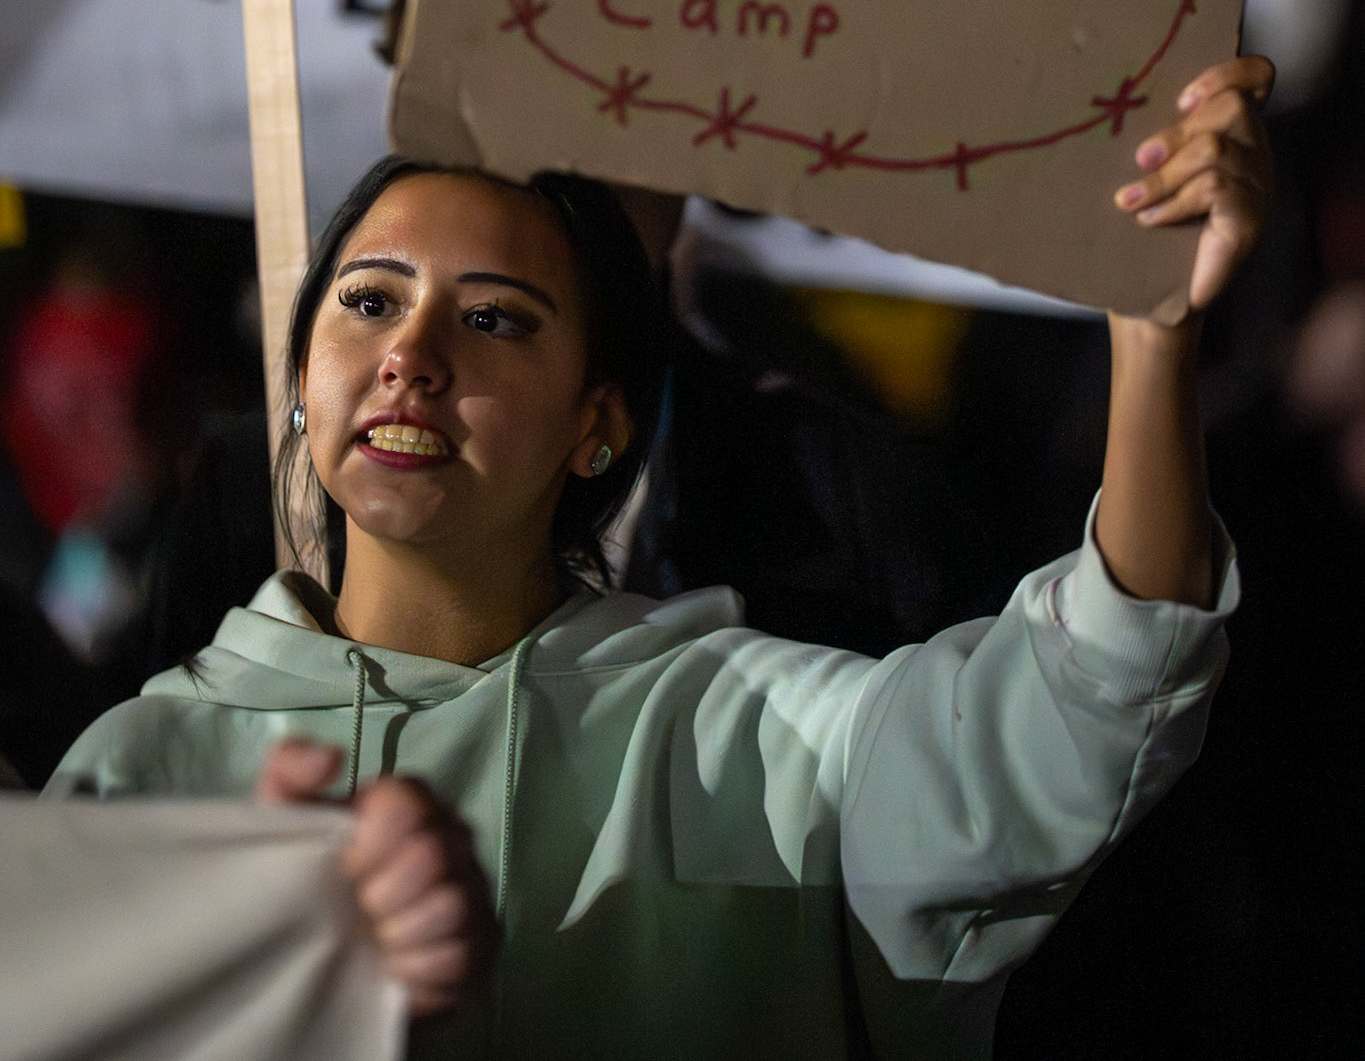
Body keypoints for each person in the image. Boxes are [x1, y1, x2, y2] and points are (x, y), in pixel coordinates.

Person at [48, 56, 1271, 1061]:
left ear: (600, 423)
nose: (410, 355)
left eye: (493, 317)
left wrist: (1151, 335)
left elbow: (1084, 695)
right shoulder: (141, 767)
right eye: (368, 299)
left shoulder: (755, 733)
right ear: (301, 377)